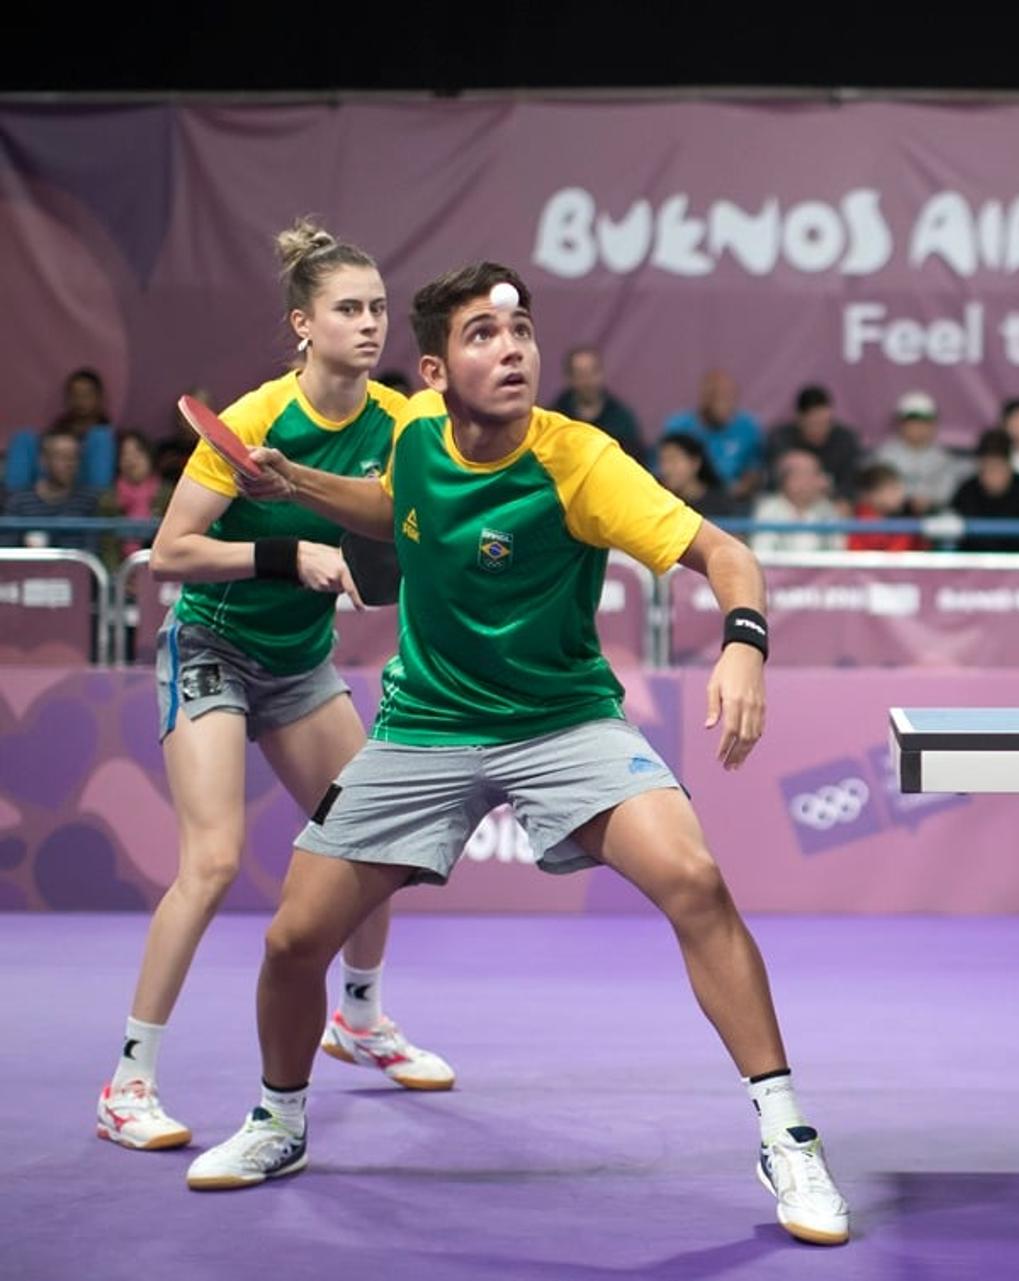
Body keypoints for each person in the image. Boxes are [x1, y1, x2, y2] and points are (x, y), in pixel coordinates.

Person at [184, 261, 850, 1247]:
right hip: (423, 727)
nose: (513, 352)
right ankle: (280, 1119)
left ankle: (788, 1136)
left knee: (694, 881)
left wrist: (745, 646)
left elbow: (726, 555)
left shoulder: (580, 460)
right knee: (290, 942)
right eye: (485, 338)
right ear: (436, 371)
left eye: (523, 333)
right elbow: (392, 508)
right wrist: (299, 484)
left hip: (564, 723)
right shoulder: (413, 430)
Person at [95, 219, 453, 1156]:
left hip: (299, 665)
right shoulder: (256, 418)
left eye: (379, 308)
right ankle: (128, 1081)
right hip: (213, 646)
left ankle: (360, 1020)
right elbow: (169, 551)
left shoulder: (401, 420)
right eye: (349, 309)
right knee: (210, 863)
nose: (371, 325)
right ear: (303, 324)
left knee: (374, 835)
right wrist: (284, 551)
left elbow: (404, 530)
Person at [664, 368, 763, 500]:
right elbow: (661, 469)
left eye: (730, 397)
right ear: (705, 397)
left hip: (734, 500)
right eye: (719, 397)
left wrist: (741, 489)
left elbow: (755, 468)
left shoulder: (748, 427)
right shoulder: (679, 426)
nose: (726, 404)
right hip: (685, 497)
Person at [949, 428, 1019, 553]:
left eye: (997, 467)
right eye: (985, 468)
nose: (991, 476)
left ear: (1009, 466)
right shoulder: (966, 493)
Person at [2, 429, 100, 550]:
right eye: (63, 458)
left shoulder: (88, 502)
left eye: (74, 458)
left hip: (73, 568)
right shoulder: (19, 502)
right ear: (44, 461)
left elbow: (91, 554)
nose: (70, 464)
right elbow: (7, 553)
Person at [763, 385, 861, 504]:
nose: (821, 429)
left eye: (826, 423)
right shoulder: (780, 439)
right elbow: (774, 482)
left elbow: (851, 483)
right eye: (814, 423)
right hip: (789, 504)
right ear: (799, 419)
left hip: (832, 502)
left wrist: (837, 494)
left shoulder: (845, 439)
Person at [551, 346, 646, 463]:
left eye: (593, 372)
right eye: (580, 374)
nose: (587, 381)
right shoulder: (556, 419)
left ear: (601, 373)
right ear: (569, 378)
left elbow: (636, 462)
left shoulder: (621, 418)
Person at [873, 391, 962, 514]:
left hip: (932, 515)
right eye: (912, 421)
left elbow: (946, 491)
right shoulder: (885, 456)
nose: (918, 426)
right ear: (901, 424)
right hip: (892, 515)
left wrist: (928, 500)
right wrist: (905, 500)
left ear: (933, 425)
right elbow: (877, 491)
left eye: (924, 421)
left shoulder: (943, 458)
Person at [97, 430, 172, 569]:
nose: (131, 460)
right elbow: (107, 546)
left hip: (159, 572)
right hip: (120, 575)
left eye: (138, 453)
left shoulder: (167, 495)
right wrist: (118, 578)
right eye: (125, 454)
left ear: (149, 457)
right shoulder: (108, 499)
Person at [751, 444, 846, 553]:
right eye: (813, 474)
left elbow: (837, 553)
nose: (822, 480)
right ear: (790, 480)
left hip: (820, 569)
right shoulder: (769, 509)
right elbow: (763, 552)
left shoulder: (826, 508)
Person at [654, 432, 742, 519]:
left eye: (673, 460)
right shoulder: (659, 503)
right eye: (663, 461)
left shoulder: (721, 504)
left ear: (695, 463)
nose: (666, 469)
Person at [846, 462, 926, 552]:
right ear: (873, 494)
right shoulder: (857, 522)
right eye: (893, 489)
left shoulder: (908, 516)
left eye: (900, 488)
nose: (900, 494)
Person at [50, 367, 109, 434]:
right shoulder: (58, 430)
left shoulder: (108, 432)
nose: (80, 400)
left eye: (86, 395)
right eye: (75, 395)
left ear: (99, 397)